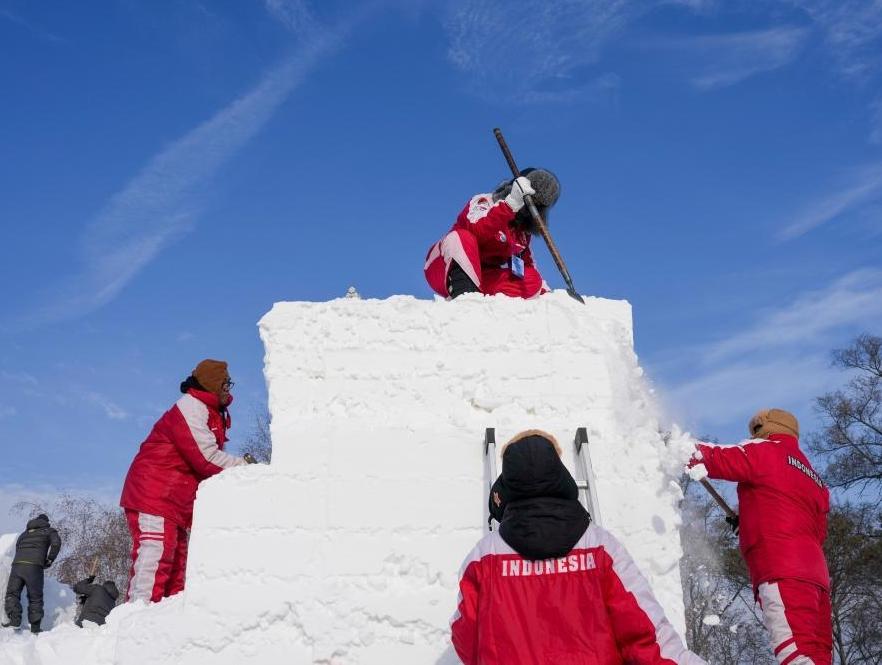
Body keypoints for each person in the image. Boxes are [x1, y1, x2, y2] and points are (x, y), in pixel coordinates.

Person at [451, 430, 704, 665]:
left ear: (506, 485)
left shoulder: (484, 556)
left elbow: (464, 636)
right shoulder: (601, 546)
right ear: (560, 475)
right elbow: (647, 635)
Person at [687, 409, 831, 665]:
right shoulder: (815, 479)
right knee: (817, 655)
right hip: (817, 580)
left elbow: (713, 459)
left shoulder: (764, 452)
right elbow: (815, 532)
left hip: (782, 569)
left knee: (794, 653)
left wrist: (675, 446)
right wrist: (751, 524)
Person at [119, 359, 249, 603]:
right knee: (156, 557)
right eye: (225, 383)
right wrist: (244, 467)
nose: (228, 389)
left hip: (175, 501)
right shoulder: (191, 407)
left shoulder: (210, 412)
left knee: (177, 566)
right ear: (213, 384)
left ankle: (165, 623)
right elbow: (205, 458)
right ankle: (137, 617)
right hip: (154, 493)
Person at [424, 169, 560, 299]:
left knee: (532, 279)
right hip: (444, 266)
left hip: (484, 276)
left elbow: (527, 266)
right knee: (462, 237)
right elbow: (476, 229)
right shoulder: (485, 202)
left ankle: (478, 295)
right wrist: (510, 205)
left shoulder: (521, 235)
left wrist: (546, 293)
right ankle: (464, 298)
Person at [2, 514, 61, 634]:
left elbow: (17, 547)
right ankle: (35, 628)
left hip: (17, 565)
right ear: (46, 522)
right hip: (34, 567)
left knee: (12, 594)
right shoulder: (49, 531)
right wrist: (49, 560)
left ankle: (14, 622)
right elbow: (56, 543)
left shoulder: (24, 534)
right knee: (35, 598)